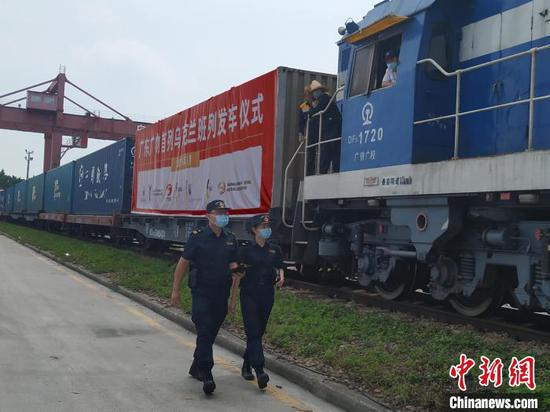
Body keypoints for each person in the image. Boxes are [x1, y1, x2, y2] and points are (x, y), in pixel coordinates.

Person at [170, 199, 240, 395]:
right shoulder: (197, 237)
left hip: (221, 292)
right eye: (218, 212)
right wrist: (176, 290)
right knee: (204, 329)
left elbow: (233, 266)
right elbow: (182, 264)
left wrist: (238, 278)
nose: (222, 215)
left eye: (225, 212)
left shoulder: (231, 238)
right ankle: (207, 372)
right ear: (208, 215)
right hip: (201, 292)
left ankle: (196, 365)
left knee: (211, 331)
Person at [231, 214, 284, 389]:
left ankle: (247, 363)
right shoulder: (245, 251)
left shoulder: (275, 249)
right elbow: (236, 276)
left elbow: (279, 266)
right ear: (254, 230)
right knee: (253, 331)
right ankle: (260, 370)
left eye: (268, 225)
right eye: (262, 225)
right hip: (249, 293)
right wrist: (232, 300)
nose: (266, 228)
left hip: (267, 294)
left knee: (258, 331)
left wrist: (281, 277)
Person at [307, 80, 342, 175]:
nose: (315, 94)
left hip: (333, 129)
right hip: (329, 130)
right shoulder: (322, 99)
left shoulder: (324, 98)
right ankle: (326, 171)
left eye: (316, 91)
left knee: (329, 151)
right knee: (327, 151)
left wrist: (310, 112)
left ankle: (328, 171)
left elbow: (316, 111)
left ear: (320, 91)